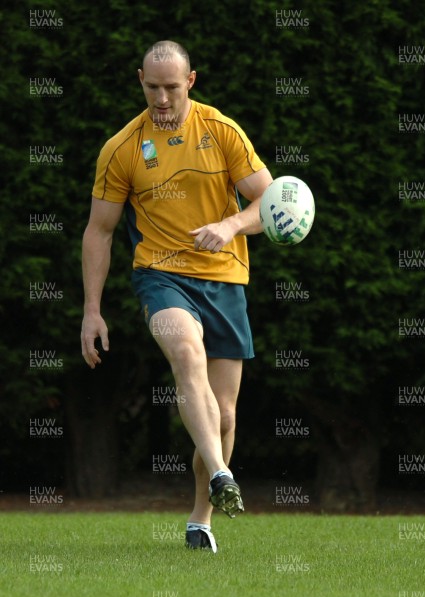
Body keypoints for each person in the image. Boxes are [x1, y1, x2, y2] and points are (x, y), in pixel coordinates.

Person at [81, 40, 272, 553]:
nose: (161, 99)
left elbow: (268, 201)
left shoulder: (222, 131)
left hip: (226, 278)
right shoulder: (122, 148)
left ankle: (200, 518)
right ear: (139, 78)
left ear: (191, 81)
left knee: (225, 415)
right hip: (160, 276)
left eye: (171, 87)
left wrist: (230, 223)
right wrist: (92, 311)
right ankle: (223, 473)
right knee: (187, 354)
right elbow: (100, 231)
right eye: (152, 87)